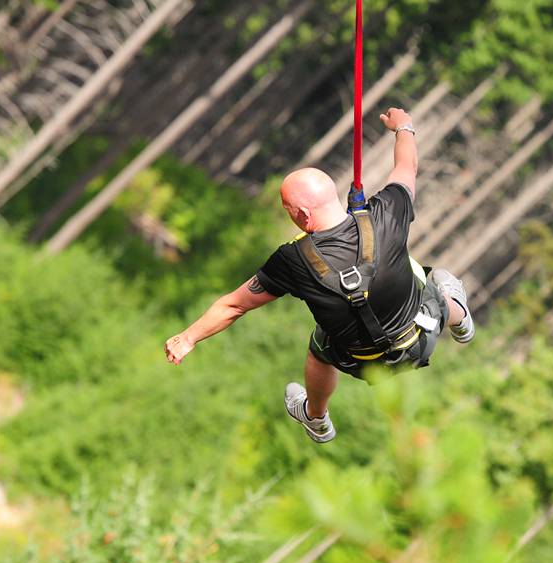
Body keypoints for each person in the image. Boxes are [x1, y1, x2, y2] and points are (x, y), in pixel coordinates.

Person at [164, 107, 474, 443]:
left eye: (288, 210)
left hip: (359, 362)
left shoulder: (293, 260)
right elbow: (406, 167)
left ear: (302, 214)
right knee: (438, 283)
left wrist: (189, 337)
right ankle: (459, 319)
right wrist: (404, 128)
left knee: (320, 345)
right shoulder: (385, 216)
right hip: (421, 340)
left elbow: (234, 306)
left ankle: (316, 417)